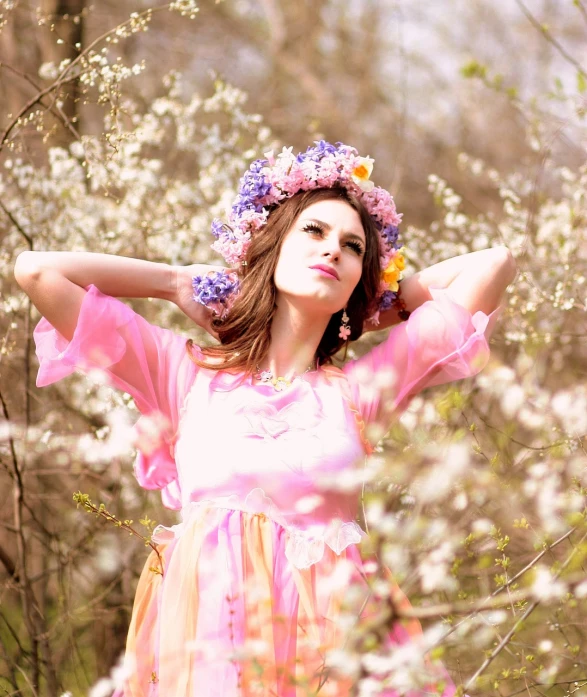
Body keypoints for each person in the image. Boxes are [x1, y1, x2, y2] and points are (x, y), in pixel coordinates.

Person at [14, 141, 515, 697]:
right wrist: (175, 281)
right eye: (315, 232)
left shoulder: (362, 393)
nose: (333, 251)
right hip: (210, 658)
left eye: (353, 248)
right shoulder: (182, 374)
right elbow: (37, 271)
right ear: (271, 248)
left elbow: (491, 264)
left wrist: (373, 307)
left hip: (338, 661)